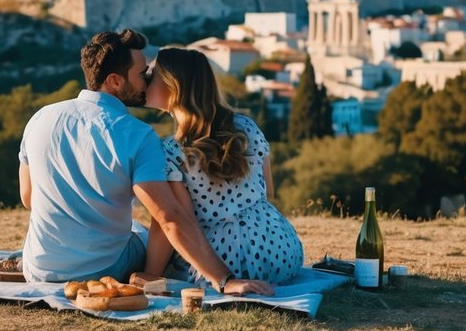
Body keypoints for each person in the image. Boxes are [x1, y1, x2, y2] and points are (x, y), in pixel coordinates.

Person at [18, 28, 274, 296]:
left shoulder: (40, 118)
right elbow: (169, 218)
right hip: (103, 270)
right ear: (115, 81)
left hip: (38, 268)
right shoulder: (137, 134)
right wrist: (224, 280)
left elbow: (28, 198)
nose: (146, 81)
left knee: (138, 232)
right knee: (140, 235)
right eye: (142, 75)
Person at [143, 46, 304, 284]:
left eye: (151, 74)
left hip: (223, 260)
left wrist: (151, 275)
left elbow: (172, 221)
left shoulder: (172, 152)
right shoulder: (247, 126)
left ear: (172, 87)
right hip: (281, 250)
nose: (145, 80)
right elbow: (267, 191)